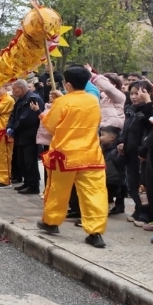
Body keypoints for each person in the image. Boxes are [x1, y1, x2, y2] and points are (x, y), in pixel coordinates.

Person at [37, 66, 108, 248]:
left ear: (67, 84)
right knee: (94, 193)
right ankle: (95, 232)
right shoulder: (93, 101)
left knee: (57, 190)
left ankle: (51, 222)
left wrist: (45, 113)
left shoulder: (63, 102)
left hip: (65, 155)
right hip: (91, 155)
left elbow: (52, 126)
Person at [117, 80, 153, 222]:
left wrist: (148, 103)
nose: (133, 96)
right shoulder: (131, 109)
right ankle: (138, 210)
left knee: (142, 185)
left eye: (137, 93)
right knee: (132, 183)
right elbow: (126, 128)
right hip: (130, 152)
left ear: (148, 93)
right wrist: (121, 141)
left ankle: (145, 213)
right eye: (131, 93)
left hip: (142, 154)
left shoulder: (151, 110)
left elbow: (148, 126)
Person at [7, 79, 44, 194]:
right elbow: (13, 115)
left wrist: (14, 128)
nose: (13, 91)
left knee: (30, 161)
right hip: (20, 135)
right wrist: (9, 126)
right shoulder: (20, 100)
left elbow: (27, 118)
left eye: (14, 89)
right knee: (22, 160)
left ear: (21, 89)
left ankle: (33, 185)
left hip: (29, 135)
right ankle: (27, 182)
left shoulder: (33, 99)